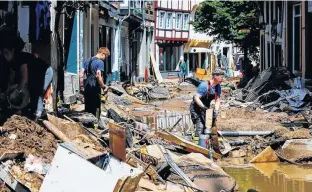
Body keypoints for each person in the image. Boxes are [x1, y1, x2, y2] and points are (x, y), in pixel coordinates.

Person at [0, 37, 53, 121]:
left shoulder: (21, 58)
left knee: (37, 92)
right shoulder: (11, 62)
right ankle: (30, 113)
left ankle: (37, 117)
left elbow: (24, 78)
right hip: (36, 76)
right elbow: (11, 78)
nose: (5, 56)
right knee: (31, 90)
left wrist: (17, 91)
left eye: (7, 53)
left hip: (46, 72)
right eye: (4, 54)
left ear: (12, 50)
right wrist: (8, 91)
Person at [190, 69, 224, 137]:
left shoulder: (218, 87)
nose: (222, 78)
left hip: (206, 108)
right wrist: (203, 107)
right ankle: (198, 143)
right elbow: (196, 98)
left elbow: (217, 100)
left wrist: (216, 110)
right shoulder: (204, 85)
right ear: (215, 76)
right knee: (200, 126)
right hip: (196, 108)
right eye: (221, 77)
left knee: (208, 125)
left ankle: (207, 142)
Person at [79, 47, 110, 119]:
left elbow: (81, 74)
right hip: (95, 85)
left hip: (87, 85)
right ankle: (96, 123)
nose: (105, 59)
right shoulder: (100, 62)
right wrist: (103, 86)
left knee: (88, 105)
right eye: (106, 56)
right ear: (103, 54)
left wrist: (81, 86)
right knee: (96, 106)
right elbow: (98, 75)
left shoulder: (87, 60)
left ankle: (87, 123)